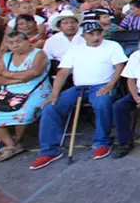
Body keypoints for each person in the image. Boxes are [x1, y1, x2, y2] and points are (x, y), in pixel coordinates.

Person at [29, 21, 128, 169]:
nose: (96, 37)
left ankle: (102, 142)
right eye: (91, 34)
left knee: (102, 103)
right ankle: (49, 150)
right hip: (78, 88)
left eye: (98, 33)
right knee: (50, 107)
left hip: (102, 85)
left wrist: (110, 85)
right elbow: (63, 73)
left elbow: (120, 67)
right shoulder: (75, 50)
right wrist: (54, 94)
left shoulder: (112, 46)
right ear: (84, 36)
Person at [0, 30, 51, 162]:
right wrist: (17, 80)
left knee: (24, 113)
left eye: (18, 41)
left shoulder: (38, 53)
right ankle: (11, 145)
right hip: (10, 92)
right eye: (11, 43)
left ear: (27, 41)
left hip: (36, 90)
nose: (15, 45)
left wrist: (7, 74)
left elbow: (35, 72)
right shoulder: (6, 57)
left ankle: (17, 141)